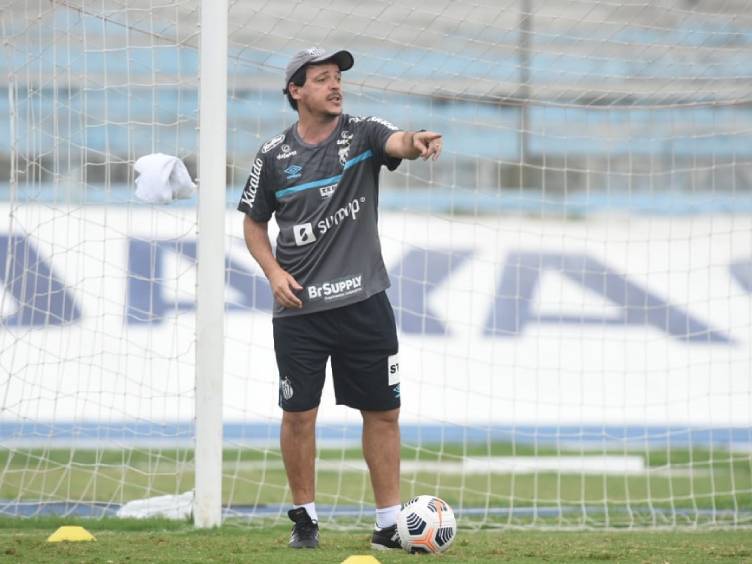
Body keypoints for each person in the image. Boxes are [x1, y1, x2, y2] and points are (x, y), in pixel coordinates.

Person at [237, 47, 442, 550]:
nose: (335, 85)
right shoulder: (272, 156)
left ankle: (390, 525)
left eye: (338, 78)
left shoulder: (362, 132)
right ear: (296, 91)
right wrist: (273, 271)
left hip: (365, 302)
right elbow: (252, 222)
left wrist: (415, 141)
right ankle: (304, 520)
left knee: (383, 412)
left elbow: (398, 142)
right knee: (299, 414)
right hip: (300, 311)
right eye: (322, 78)